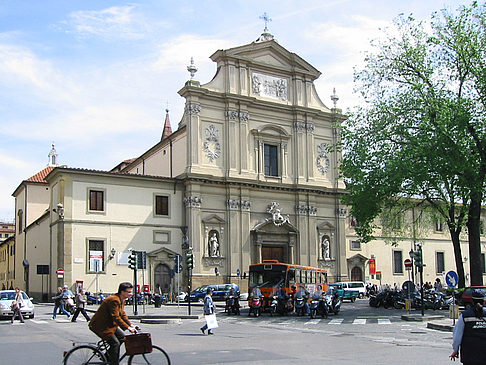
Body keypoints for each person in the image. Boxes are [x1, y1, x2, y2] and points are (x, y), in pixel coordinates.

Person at [89, 282, 137, 365]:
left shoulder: (121, 300)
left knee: (122, 338)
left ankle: (107, 357)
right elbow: (116, 317)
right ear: (122, 292)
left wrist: (130, 325)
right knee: (115, 343)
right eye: (129, 292)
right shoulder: (114, 300)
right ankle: (114, 363)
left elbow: (122, 314)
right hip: (100, 325)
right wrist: (128, 328)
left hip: (109, 325)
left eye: (131, 292)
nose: (131, 294)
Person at [450, 289, 486, 364]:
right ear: (484, 300)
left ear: (472, 300)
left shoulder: (464, 315)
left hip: (469, 354)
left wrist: (455, 350)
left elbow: (457, 335)